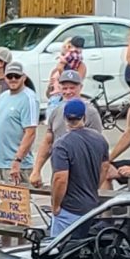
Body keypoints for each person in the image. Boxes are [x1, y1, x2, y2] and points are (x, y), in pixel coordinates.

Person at [48, 98, 110, 239]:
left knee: (60, 252)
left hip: (70, 209)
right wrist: (93, 186)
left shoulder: (62, 144)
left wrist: (56, 206)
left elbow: (60, 179)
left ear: (65, 118)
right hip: (91, 207)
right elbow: (105, 167)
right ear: (84, 117)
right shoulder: (99, 139)